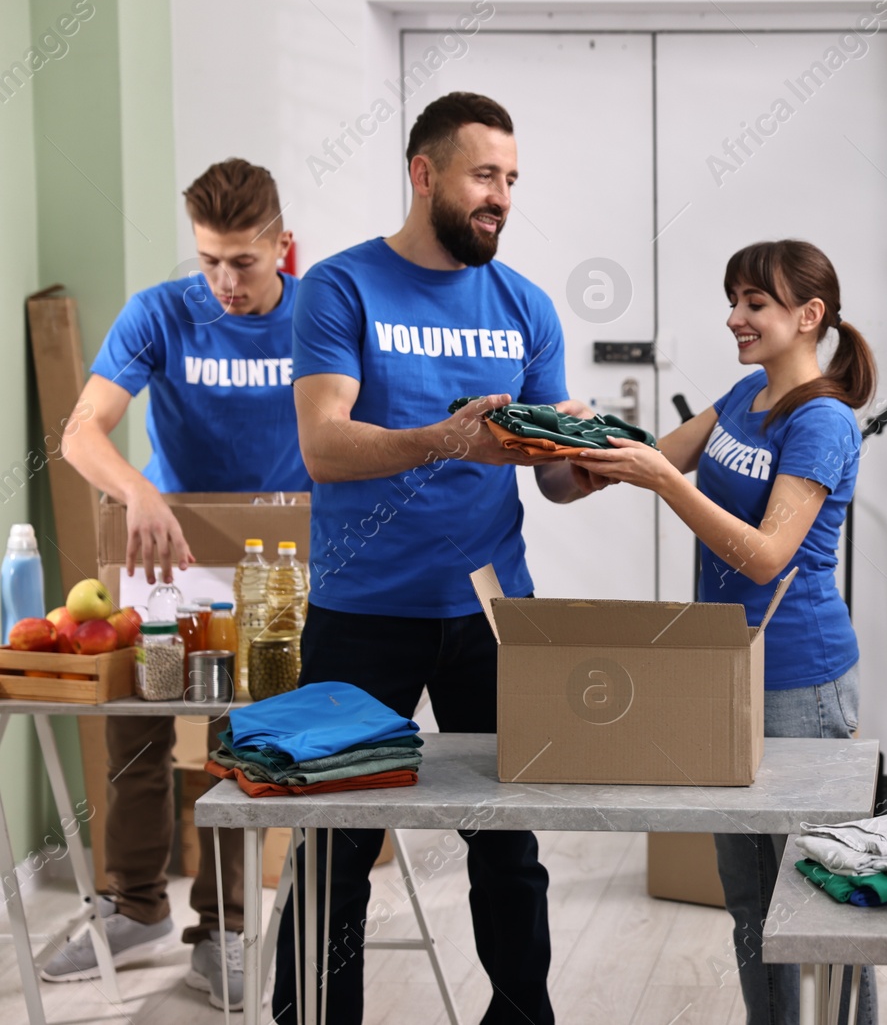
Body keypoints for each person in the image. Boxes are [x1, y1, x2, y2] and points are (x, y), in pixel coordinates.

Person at [279, 90, 607, 1025]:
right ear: (424, 175)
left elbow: (541, 476)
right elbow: (325, 447)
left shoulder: (524, 304)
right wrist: (445, 439)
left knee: (507, 847)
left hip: (491, 614)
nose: (500, 195)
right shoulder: (341, 289)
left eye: (510, 179)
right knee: (335, 842)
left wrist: (586, 469)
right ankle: (307, 1013)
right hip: (361, 614)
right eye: (483, 176)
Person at [573, 239, 879, 1025]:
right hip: (723, 673)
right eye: (734, 300)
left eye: (755, 303)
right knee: (747, 895)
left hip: (801, 683)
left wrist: (667, 483)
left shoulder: (824, 422)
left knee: (823, 896)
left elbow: (769, 553)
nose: (735, 317)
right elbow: (645, 456)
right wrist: (576, 429)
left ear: (808, 316)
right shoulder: (747, 394)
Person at [53, 158, 307, 1010]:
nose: (225, 282)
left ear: (283, 245)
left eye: (243, 261)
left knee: (243, 744)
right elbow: (80, 430)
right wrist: (137, 490)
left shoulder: (319, 317)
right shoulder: (161, 313)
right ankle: (133, 905)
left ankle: (226, 931)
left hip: (274, 568)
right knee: (142, 730)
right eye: (209, 261)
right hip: (170, 569)